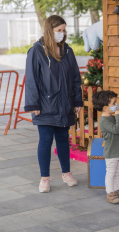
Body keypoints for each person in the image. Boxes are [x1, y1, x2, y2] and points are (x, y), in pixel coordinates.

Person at [24, 15, 83, 193]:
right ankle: (45, 178)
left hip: (64, 104)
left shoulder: (68, 51)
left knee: (64, 140)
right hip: (45, 106)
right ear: (50, 30)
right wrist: (33, 104)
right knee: (45, 141)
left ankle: (66, 173)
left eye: (64, 30)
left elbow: (75, 77)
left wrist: (77, 100)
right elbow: (31, 80)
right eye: (58, 30)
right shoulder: (36, 51)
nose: (62, 33)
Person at [93, 90, 119, 204]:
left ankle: (117, 190)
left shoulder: (111, 117)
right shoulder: (104, 120)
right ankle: (110, 193)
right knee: (111, 173)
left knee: (117, 172)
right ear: (105, 108)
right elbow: (117, 129)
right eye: (114, 103)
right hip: (111, 152)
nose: (116, 105)